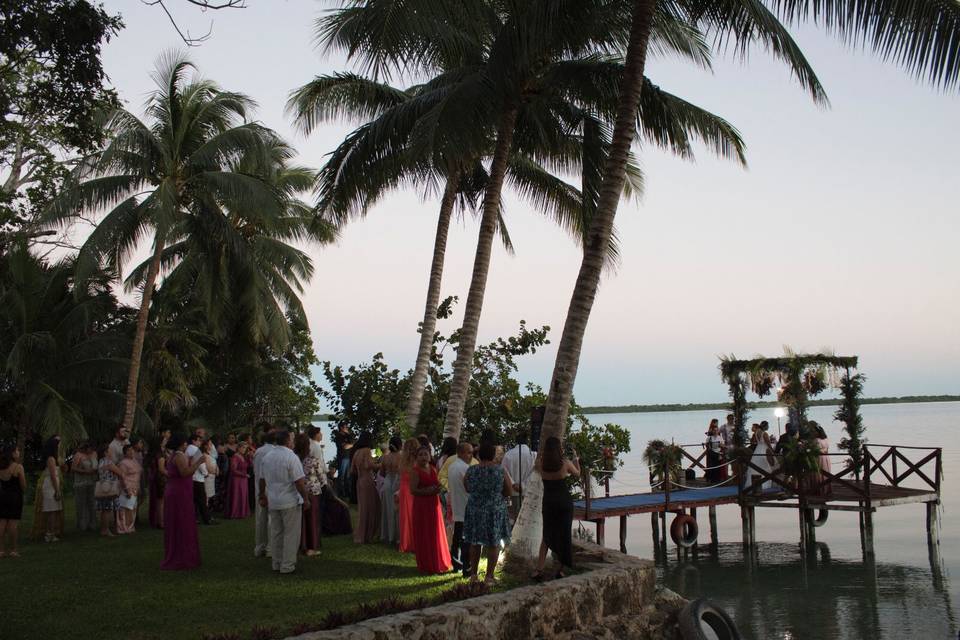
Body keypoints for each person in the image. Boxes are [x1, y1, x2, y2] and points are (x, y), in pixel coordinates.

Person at [259, 430, 310, 574]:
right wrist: (305, 498)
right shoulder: (291, 457)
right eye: (292, 439)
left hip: (273, 499)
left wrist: (262, 495)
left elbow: (262, 479)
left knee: (276, 532)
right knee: (291, 533)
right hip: (289, 500)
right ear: (288, 441)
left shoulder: (268, 456)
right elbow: (299, 481)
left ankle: (276, 562)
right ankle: (287, 564)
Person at [463, 441, 512, 584]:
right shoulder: (500, 470)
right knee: (493, 542)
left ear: (479, 455)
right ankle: (489, 576)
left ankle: (473, 575)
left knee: (474, 541)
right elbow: (508, 490)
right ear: (493, 455)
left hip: (475, 508)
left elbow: (466, 486)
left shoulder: (471, 470)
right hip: (494, 509)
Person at [533, 437, 580, 580]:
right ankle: (560, 569)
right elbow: (578, 473)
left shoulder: (541, 463)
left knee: (546, 535)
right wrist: (576, 459)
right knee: (564, 534)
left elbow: (537, 468)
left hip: (549, 502)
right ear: (559, 449)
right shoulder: (564, 463)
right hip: (564, 502)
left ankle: (539, 569)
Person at [161, 433, 206, 570]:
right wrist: (199, 462)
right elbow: (185, 473)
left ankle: (179, 552)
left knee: (178, 521)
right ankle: (182, 555)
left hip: (176, 490)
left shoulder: (174, 455)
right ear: (182, 444)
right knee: (182, 521)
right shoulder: (179, 455)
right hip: (179, 492)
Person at [409, 446, 452, 574]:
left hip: (434, 504)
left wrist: (438, 488)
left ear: (430, 456)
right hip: (422, 505)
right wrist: (427, 491)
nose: (423, 457)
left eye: (425, 454)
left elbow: (437, 483)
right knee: (424, 533)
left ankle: (437, 561)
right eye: (420, 455)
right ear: (417, 457)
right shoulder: (415, 471)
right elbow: (413, 490)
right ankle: (427, 564)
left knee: (434, 532)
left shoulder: (433, 469)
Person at [447, 442, 474, 577]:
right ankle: (466, 567)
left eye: (471, 452)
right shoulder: (465, 468)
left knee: (457, 536)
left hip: (457, 505)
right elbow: (469, 487)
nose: (471, 455)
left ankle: (456, 564)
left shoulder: (452, 466)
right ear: (460, 453)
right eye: (468, 452)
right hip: (465, 505)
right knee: (465, 539)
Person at [295, 433, 324, 556]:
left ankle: (301, 543)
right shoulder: (313, 460)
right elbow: (321, 477)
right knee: (312, 519)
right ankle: (311, 546)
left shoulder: (294, 458)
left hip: (297, 491)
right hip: (312, 491)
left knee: (300, 519)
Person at [351, 432, 381, 544]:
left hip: (359, 481)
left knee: (363, 508)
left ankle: (361, 534)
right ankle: (367, 534)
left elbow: (352, 470)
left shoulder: (356, 452)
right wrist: (381, 465)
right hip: (368, 480)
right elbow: (370, 465)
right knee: (372, 507)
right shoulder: (367, 451)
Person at [33, 436, 64, 542]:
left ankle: (52, 532)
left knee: (54, 510)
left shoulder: (54, 458)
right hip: (51, 486)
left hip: (53, 485)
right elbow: (52, 475)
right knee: (51, 510)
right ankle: (49, 533)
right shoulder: (50, 459)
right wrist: (57, 490)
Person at [252, 429, 277, 557]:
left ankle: (259, 546)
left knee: (260, 519)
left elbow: (255, 470)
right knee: (271, 519)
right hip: (270, 487)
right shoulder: (273, 452)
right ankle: (270, 548)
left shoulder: (258, 451)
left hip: (259, 487)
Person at [501, 431, 536, 518]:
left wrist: (513, 484)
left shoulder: (508, 454)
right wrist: (523, 485)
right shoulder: (534, 455)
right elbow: (535, 472)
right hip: (529, 492)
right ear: (527, 441)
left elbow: (503, 471)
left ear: (516, 441)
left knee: (516, 519)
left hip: (513, 492)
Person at [0, 446, 26, 557]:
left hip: (2, 497)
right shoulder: (18, 467)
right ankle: (14, 550)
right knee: (13, 524)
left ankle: (1, 550)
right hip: (15, 498)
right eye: (17, 450)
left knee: (2, 523)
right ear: (12, 454)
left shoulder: (0, 467)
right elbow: (23, 486)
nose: (18, 452)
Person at [397, 437, 420, 553]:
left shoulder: (402, 460)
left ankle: (405, 542)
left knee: (405, 517)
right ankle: (413, 543)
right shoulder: (417, 461)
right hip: (412, 489)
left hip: (404, 489)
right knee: (413, 516)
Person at [71, 441, 98, 532]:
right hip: (81, 483)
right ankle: (82, 524)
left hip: (92, 482)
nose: (91, 451)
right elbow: (73, 468)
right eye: (89, 449)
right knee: (81, 504)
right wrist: (85, 472)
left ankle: (92, 523)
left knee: (92, 503)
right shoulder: (78, 455)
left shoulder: (94, 454)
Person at [380, 436, 403, 544]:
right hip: (397, 483)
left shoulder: (385, 457)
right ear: (399, 445)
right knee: (397, 509)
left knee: (387, 509)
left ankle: (388, 535)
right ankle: (398, 536)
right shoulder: (401, 457)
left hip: (387, 482)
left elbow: (382, 473)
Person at [186, 433, 212, 526]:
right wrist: (206, 473)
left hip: (191, 477)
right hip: (198, 477)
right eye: (199, 440)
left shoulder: (188, 449)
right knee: (201, 499)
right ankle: (207, 519)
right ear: (194, 441)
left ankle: (195, 517)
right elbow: (201, 463)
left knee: (194, 500)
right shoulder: (195, 449)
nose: (200, 442)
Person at [116, 444, 143, 534]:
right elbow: (122, 477)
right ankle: (123, 527)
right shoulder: (123, 463)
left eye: (132, 450)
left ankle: (130, 526)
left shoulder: (135, 461)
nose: (131, 452)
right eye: (129, 450)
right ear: (125, 452)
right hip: (127, 488)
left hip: (135, 487)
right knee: (124, 508)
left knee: (132, 509)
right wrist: (126, 489)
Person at [148, 432, 170, 529]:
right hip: (161, 478)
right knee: (161, 501)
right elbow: (161, 468)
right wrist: (170, 474)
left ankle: (158, 520)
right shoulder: (160, 454)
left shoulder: (155, 453)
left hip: (155, 477)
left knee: (158, 500)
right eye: (164, 440)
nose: (166, 441)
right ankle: (161, 522)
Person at [746, 423, 775, 493]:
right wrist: (772, 451)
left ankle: (752, 483)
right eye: (768, 426)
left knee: (756, 465)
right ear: (765, 426)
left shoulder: (757, 433)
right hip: (764, 449)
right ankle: (764, 484)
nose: (768, 427)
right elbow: (768, 443)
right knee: (765, 466)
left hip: (758, 449)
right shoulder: (764, 433)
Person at [225, 442, 251, 519]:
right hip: (237, 480)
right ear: (238, 448)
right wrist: (244, 475)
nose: (244, 449)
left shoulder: (243, 456)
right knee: (237, 495)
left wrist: (249, 457)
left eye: (245, 448)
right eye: (243, 447)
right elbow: (233, 470)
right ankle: (235, 513)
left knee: (243, 495)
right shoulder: (235, 457)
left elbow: (249, 465)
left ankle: (242, 512)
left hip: (243, 480)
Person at [334, 422, 353, 499]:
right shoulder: (338, 436)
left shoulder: (347, 436)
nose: (347, 428)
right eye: (345, 427)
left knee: (347, 476)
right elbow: (345, 447)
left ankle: (347, 493)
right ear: (341, 428)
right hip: (342, 458)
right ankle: (341, 493)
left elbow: (351, 442)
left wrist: (348, 434)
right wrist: (352, 445)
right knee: (341, 476)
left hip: (348, 457)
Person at [814, 422, 832, 497]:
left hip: (820, 457)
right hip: (826, 457)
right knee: (825, 473)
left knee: (819, 473)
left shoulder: (816, 440)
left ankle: (819, 490)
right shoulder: (826, 439)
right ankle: (826, 489)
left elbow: (817, 450)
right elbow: (827, 448)